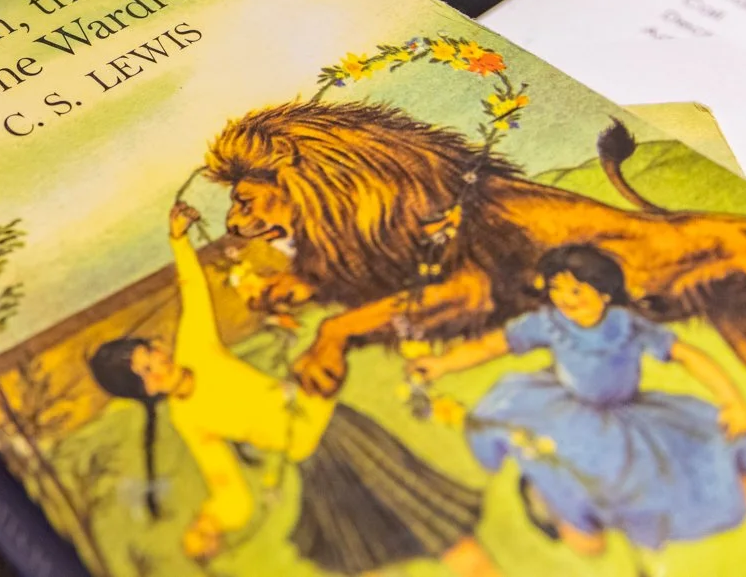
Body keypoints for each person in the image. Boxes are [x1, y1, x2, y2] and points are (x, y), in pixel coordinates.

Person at [87, 202, 501, 573]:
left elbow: (193, 292)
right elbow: (229, 489)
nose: (158, 367)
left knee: (442, 534)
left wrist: (178, 240)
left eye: (150, 356)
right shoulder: (188, 419)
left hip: (345, 435)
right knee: (363, 561)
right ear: (145, 392)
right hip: (313, 468)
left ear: (157, 346)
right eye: (145, 374)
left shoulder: (196, 348)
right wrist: (209, 525)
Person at [410, 243, 746, 574]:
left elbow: (688, 356)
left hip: (631, 421)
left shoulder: (626, 326)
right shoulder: (548, 325)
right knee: (586, 535)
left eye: (576, 290)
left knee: (676, 483)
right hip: (567, 417)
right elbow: (494, 344)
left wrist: (732, 400)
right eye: (557, 290)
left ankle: (595, 513)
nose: (566, 300)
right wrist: (443, 364)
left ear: (604, 294)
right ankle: (561, 504)